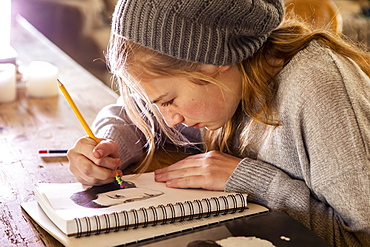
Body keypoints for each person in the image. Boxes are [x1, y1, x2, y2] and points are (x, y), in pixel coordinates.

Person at [67, 0, 370, 246]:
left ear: (213, 60)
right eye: (154, 103)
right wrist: (108, 146)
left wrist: (248, 180)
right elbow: (131, 114)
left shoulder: (318, 89)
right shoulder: (226, 84)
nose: (169, 119)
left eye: (168, 101)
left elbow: (360, 237)